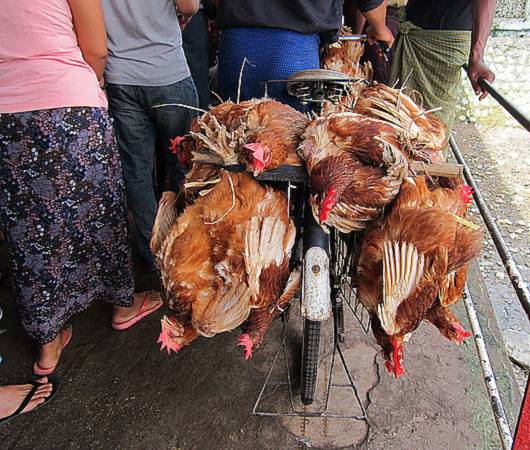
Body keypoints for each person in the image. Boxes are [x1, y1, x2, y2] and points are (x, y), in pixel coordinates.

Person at [0, 0, 162, 376]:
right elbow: (95, 49)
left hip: (7, 117)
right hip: (69, 105)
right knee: (101, 210)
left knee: (29, 234)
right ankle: (122, 306)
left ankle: (48, 344)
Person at [102, 0, 200, 271]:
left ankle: (153, 256)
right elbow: (189, 5)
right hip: (167, 71)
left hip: (120, 74)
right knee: (190, 165)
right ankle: (190, 248)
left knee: (137, 171)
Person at [216, 0, 394, 107]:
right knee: (288, 147)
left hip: (235, 45)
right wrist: (380, 28)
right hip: (292, 51)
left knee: (235, 145)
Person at [385, 0, 496, 133]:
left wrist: (477, 56)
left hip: (444, 43)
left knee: (431, 130)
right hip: (411, 32)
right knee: (397, 118)